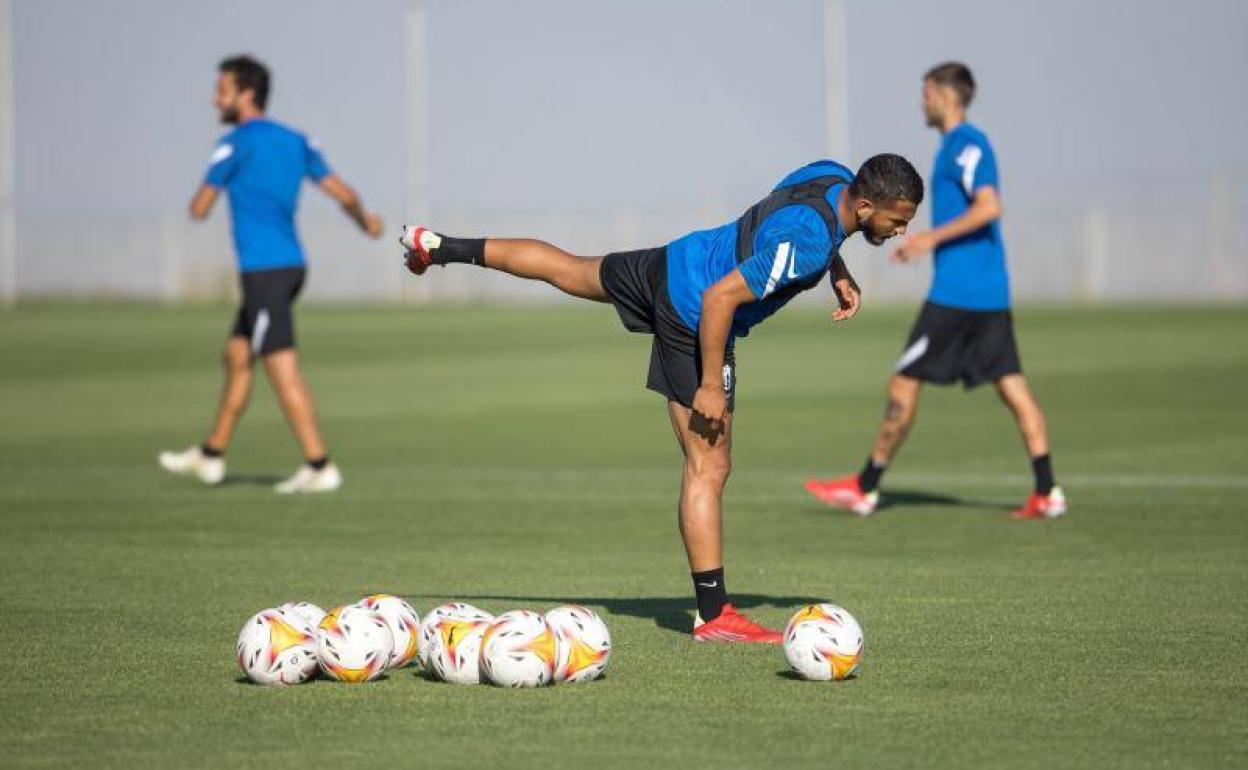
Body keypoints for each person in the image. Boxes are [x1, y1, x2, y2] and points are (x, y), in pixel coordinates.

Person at [399, 154, 923, 641]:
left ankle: (441, 247)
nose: (901, 230)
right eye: (897, 220)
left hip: (676, 258)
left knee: (570, 269)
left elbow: (786, 223)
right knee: (709, 466)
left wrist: (839, 270)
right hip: (694, 311)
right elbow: (722, 299)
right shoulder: (809, 246)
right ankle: (715, 615)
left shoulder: (829, 175)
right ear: (864, 206)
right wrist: (711, 384)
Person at [805, 62, 1065, 520]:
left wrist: (928, 239)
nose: (921, 101)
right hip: (988, 294)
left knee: (903, 381)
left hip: (959, 294)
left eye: (926, 92)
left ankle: (865, 488)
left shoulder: (966, 145)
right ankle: (1047, 490)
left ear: (947, 95)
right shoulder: (955, 146)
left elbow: (989, 206)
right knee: (1011, 386)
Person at [159, 55, 384, 493]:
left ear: (246, 94)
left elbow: (198, 209)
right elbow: (345, 193)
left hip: (263, 270)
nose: (214, 99)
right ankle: (211, 455)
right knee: (238, 356)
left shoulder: (234, 143)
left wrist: (219, 180)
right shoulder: (297, 140)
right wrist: (367, 223)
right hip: (290, 264)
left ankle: (319, 465)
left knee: (281, 367)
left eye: (222, 90)